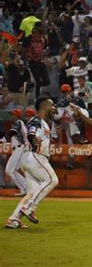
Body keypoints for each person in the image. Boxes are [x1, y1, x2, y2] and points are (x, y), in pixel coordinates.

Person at [5, 96, 59, 229]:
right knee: (52, 180)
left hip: (31, 158)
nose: (54, 108)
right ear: (44, 107)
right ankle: (28, 208)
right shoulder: (36, 120)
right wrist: (34, 139)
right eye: (52, 106)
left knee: (32, 192)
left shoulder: (45, 123)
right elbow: (31, 133)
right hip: (35, 156)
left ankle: (13, 219)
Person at [5, 109, 28, 197]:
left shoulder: (18, 122)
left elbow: (12, 133)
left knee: (11, 171)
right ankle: (26, 186)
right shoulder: (18, 123)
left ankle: (24, 189)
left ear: (17, 115)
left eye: (13, 114)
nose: (12, 116)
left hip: (20, 148)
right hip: (16, 149)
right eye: (12, 115)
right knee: (9, 170)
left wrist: (3, 139)